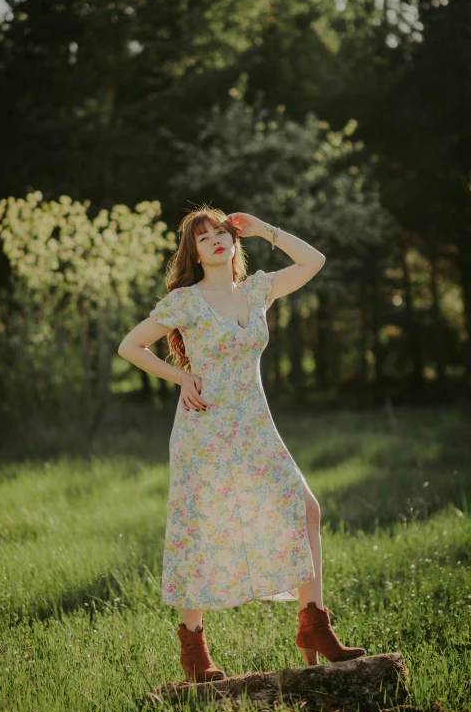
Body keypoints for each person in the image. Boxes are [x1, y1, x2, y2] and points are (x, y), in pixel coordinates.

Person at [118, 207, 366, 683]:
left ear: (233, 243)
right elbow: (131, 346)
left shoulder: (256, 290)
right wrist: (181, 376)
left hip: (254, 428)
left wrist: (265, 230)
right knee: (197, 528)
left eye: (220, 233)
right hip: (204, 430)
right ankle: (194, 652)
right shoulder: (186, 301)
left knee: (305, 509)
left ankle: (314, 625)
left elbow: (313, 261)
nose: (214, 240)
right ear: (192, 251)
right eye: (203, 236)